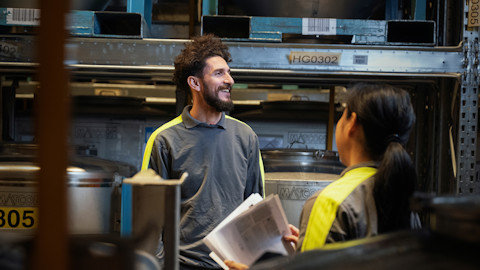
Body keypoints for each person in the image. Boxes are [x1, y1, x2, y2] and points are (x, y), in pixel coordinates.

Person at [225, 83, 418, 269]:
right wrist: (313, 242)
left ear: (352, 124)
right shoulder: (404, 196)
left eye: (342, 115)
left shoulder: (330, 202)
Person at [141, 34, 265, 270]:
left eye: (228, 72)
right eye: (219, 73)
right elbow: (150, 219)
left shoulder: (246, 137)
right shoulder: (164, 139)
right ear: (195, 83)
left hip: (232, 265)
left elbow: (256, 209)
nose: (230, 80)